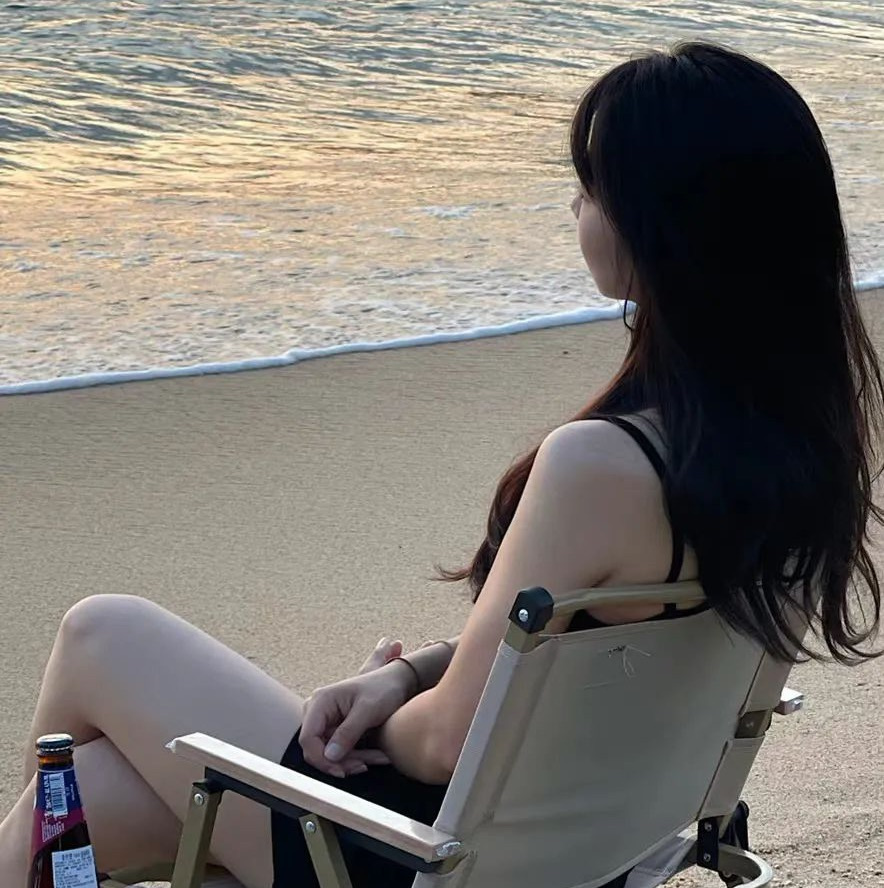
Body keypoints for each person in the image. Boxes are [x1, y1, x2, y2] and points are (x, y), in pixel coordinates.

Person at [1, 40, 882, 888]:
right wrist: (407, 675)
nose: (576, 211)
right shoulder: (799, 446)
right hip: (573, 849)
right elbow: (584, 648)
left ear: (663, 224)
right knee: (84, 793)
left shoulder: (604, 466)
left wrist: (373, 727)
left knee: (101, 631)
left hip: (418, 858)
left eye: (590, 189)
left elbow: (446, 745)